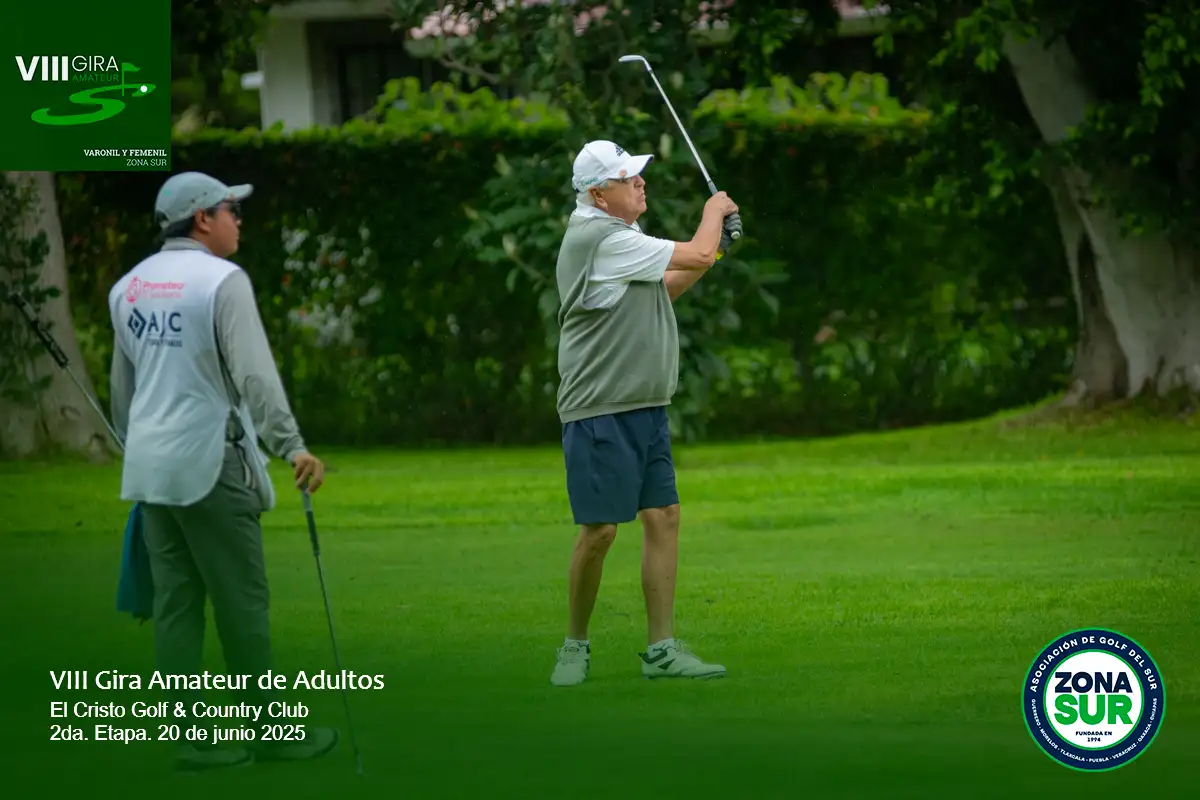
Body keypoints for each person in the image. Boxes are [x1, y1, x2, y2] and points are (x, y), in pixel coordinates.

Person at [107, 171, 339, 770]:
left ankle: (193, 741)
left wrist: (142, 450)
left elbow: (123, 395)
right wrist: (292, 446)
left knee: (177, 609)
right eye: (231, 210)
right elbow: (255, 376)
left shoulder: (128, 288)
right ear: (202, 218)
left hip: (151, 471)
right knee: (242, 605)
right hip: (212, 463)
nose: (238, 220)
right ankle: (270, 734)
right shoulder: (222, 281)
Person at [550, 140, 742, 686]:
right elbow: (695, 253)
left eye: (636, 173)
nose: (639, 182)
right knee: (600, 532)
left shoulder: (622, 234)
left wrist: (717, 249)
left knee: (664, 515)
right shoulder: (600, 238)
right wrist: (714, 215)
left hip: (645, 404)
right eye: (626, 177)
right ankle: (574, 646)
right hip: (599, 406)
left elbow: (665, 288)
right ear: (598, 194)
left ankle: (661, 650)